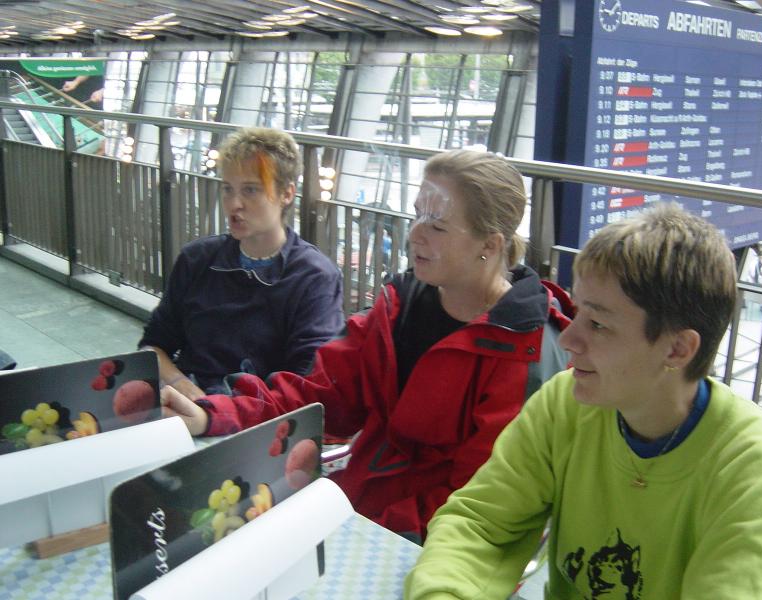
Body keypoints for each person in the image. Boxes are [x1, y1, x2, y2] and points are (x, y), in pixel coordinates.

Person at [162, 149, 573, 541]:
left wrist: (361, 529)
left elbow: (479, 499)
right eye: (417, 214)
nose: (414, 233)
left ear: (490, 245)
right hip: (357, 506)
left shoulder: (524, 351)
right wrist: (214, 413)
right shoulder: (399, 309)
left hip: (433, 542)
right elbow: (321, 396)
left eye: (437, 225)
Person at [405, 203, 762, 599]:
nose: (568, 340)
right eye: (578, 313)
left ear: (677, 349)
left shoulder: (749, 464)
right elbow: (480, 524)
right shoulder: (564, 403)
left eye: (597, 324)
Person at [139, 127, 343, 399]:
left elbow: (306, 384)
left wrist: (216, 411)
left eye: (250, 190)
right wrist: (184, 388)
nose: (234, 204)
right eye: (227, 189)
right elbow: (153, 346)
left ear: (286, 193)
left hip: (261, 416)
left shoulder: (313, 277)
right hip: (187, 404)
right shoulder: (197, 259)